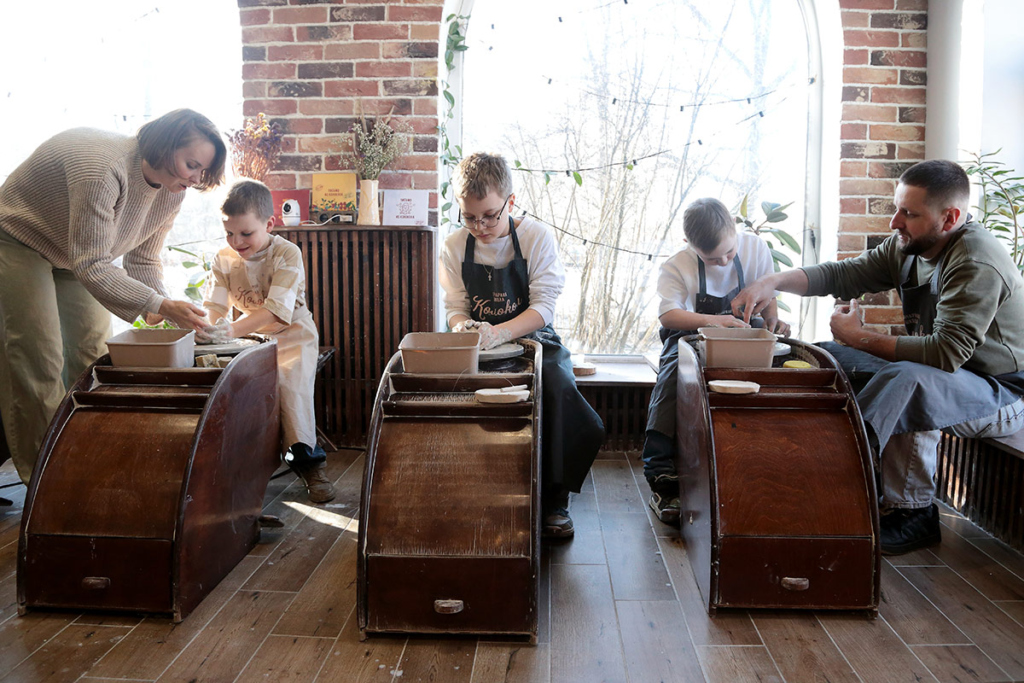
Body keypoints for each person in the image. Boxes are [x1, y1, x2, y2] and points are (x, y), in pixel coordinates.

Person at [731, 159, 1024, 555]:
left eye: (909, 213)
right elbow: (842, 275)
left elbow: (944, 353)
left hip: (1000, 393)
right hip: (941, 376)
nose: (895, 223)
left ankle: (905, 509)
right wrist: (773, 282)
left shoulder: (974, 259)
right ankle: (804, 457)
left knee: (913, 381)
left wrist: (862, 336)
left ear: (950, 217)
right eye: (897, 209)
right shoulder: (910, 246)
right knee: (830, 356)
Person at [0, 109, 226, 485]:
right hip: (19, 239)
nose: (195, 178)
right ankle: (46, 480)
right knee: (39, 355)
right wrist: (158, 305)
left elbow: (143, 259)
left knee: (90, 355)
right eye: (191, 164)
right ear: (166, 145)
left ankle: (86, 454)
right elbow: (93, 264)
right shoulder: (104, 169)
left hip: (72, 254)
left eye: (203, 172)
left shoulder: (172, 194)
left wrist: (169, 313)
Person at [439, 152, 604, 538]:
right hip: (478, 341)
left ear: (510, 202)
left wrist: (501, 332)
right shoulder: (453, 246)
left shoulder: (535, 237)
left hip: (533, 337)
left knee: (557, 385)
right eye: (469, 217)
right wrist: (466, 328)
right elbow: (456, 308)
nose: (479, 226)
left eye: (490, 215)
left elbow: (543, 307)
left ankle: (554, 499)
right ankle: (472, 488)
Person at [642, 197, 790, 525]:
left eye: (730, 253)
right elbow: (668, 314)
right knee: (673, 373)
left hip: (745, 335)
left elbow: (769, 299)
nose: (723, 262)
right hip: (689, 338)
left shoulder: (756, 249)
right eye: (712, 258)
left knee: (781, 369)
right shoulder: (677, 265)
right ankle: (660, 472)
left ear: (735, 230)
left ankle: (761, 462)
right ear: (689, 245)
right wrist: (714, 321)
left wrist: (773, 323)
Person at [202, 179, 336, 504]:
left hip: (293, 333)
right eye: (229, 234)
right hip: (247, 336)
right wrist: (208, 330)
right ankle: (237, 467)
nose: (236, 241)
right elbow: (217, 307)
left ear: (269, 223)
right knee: (226, 383)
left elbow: (277, 313)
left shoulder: (288, 253)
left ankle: (309, 463)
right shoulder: (224, 258)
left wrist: (229, 331)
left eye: (246, 233)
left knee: (289, 387)